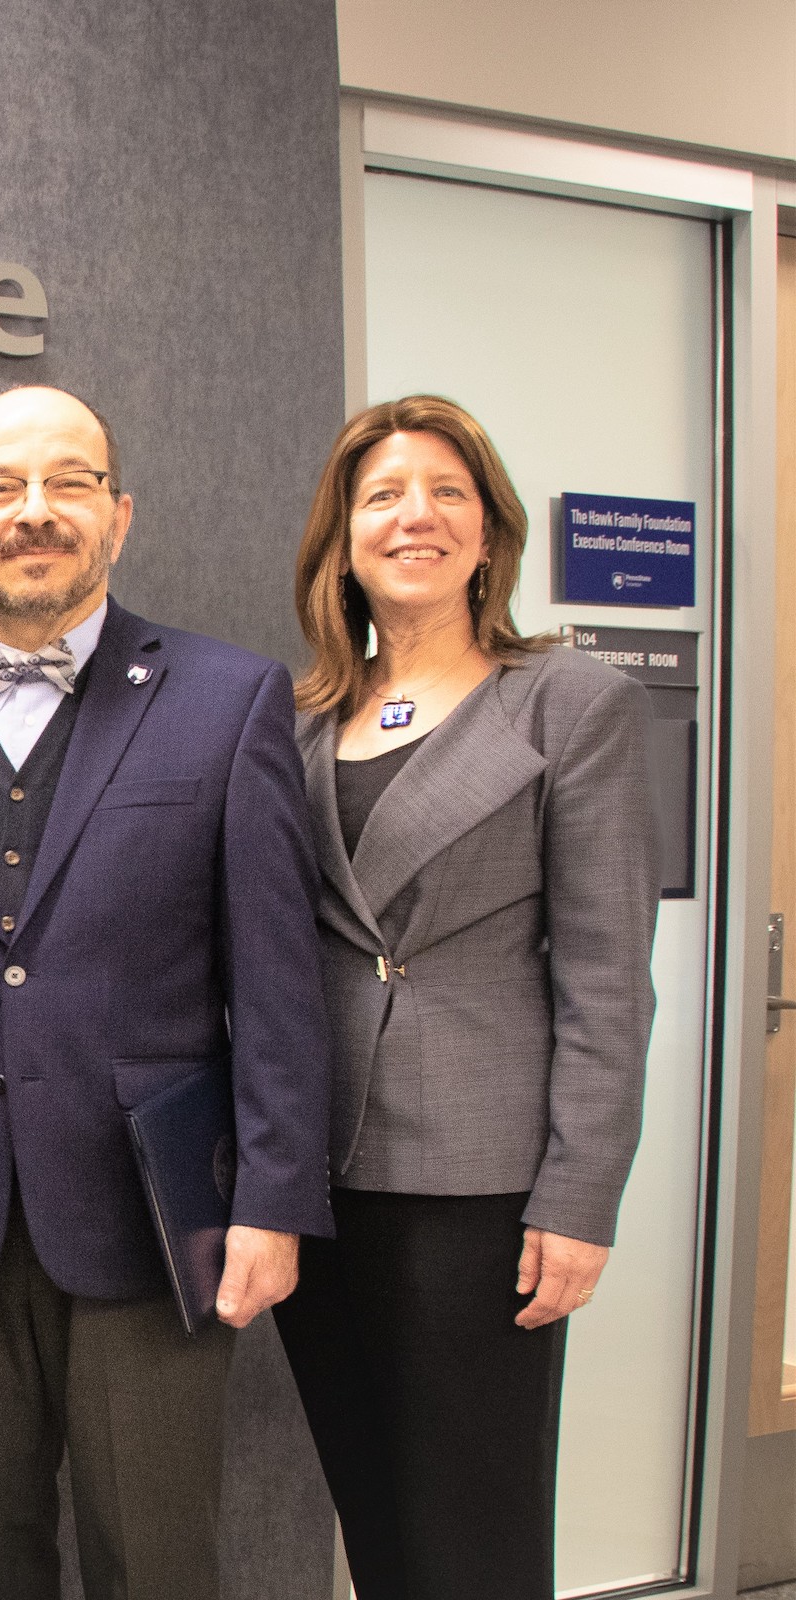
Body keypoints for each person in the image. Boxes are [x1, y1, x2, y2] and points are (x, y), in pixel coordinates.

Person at [0, 384, 334, 1600]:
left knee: (156, 1561)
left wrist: (278, 1198)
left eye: (69, 482)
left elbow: (279, 979)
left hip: (158, 1211)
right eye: (2, 488)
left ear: (119, 515)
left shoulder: (227, 699)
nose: (36, 512)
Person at [271, 394, 657, 1599]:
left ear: (490, 534)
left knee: (473, 1536)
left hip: (481, 1185)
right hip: (322, 1175)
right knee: (374, 1513)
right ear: (343, 541)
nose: (414, 517)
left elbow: (606, 976)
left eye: (447, 493)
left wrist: (581, 1198)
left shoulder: (568, 703)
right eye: (382, 496)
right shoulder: (297, 718)